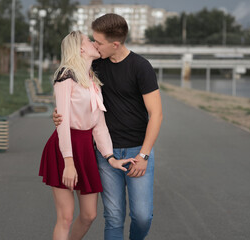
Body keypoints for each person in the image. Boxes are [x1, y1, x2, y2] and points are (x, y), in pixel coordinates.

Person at [53, 13, 163, 240]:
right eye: (91, 40)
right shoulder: (95, 65)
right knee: (113, 217)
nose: (94, 45)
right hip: (103, 153)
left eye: (98, 42)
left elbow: (156, 114)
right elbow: (73, 98)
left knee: (142, 216)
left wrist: (144, 155)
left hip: (136, 151)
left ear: (115, 44)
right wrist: (59, 116)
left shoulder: (140, 67)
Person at [39, 30, 134, 240]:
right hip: (65, 148)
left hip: (86, 148)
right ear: (80, 48)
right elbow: (62, 123)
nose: (93, 43)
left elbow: (99, 125)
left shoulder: (92, 79)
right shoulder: (66, 76)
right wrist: (69, 162)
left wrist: (110, 157)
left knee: (89, 215)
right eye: (89, 41)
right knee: (65, 217)